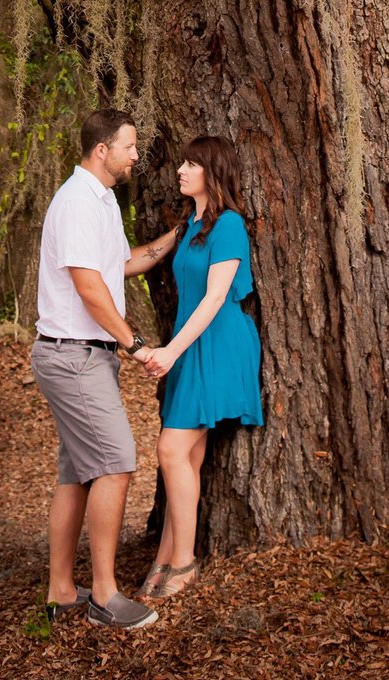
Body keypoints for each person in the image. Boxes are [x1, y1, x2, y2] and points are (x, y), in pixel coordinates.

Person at [30, 107, 179, 632]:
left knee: (77, 474)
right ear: (102, 150)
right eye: (130, 146)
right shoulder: (75, 203)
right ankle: (106, 596)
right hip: (73, 354)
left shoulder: (101, 202)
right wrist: (136, 344)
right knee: (115, 463)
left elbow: (122, 264)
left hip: (82, 355)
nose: (136, 155)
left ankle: (62, 592)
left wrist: (176, 237)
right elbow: (89, 286)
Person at [138, 134, 263, 601]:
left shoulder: (229, 225)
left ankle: (185, 562)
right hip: (192, 348)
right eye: (183, 164)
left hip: (219, 344)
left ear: (214, 173)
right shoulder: (190, 225)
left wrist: (169, 352)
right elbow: (155, 260)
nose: (181, 171)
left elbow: (215, 298)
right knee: (185, 458)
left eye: (192, 165)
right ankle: (164, 560)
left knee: (171, 451)